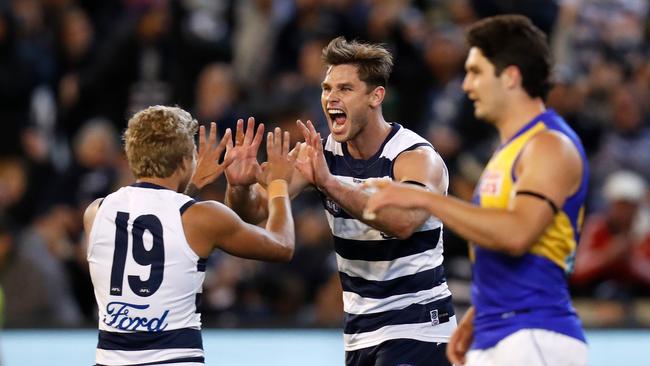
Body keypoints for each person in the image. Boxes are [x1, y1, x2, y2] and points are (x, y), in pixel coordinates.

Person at [364, 15, 589, 366]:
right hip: (500, 332)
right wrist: (479, 314)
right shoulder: (509, 151)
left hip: (534, 333)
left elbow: (516, 234)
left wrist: (425, 198)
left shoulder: (550, 145)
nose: (467, 85)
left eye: (476, 72)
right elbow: (503, 244)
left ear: (511, 76)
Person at [225, 37, 455, 365]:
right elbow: (256, 211)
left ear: (376, 96)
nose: (331, 98)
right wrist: (240, 187)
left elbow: (403, 222)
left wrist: (329, 183)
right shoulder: (319, 153)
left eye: (345, 89)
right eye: (326, 88)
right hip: (359, 331)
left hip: (419, 326)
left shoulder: (415, 157)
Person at [84, 105, 296, 366]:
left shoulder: (95, 212)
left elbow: (154, 225)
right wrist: (278, 184)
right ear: (185, 161)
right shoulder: (202, 217)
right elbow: (282, 245)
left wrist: (192, 185)